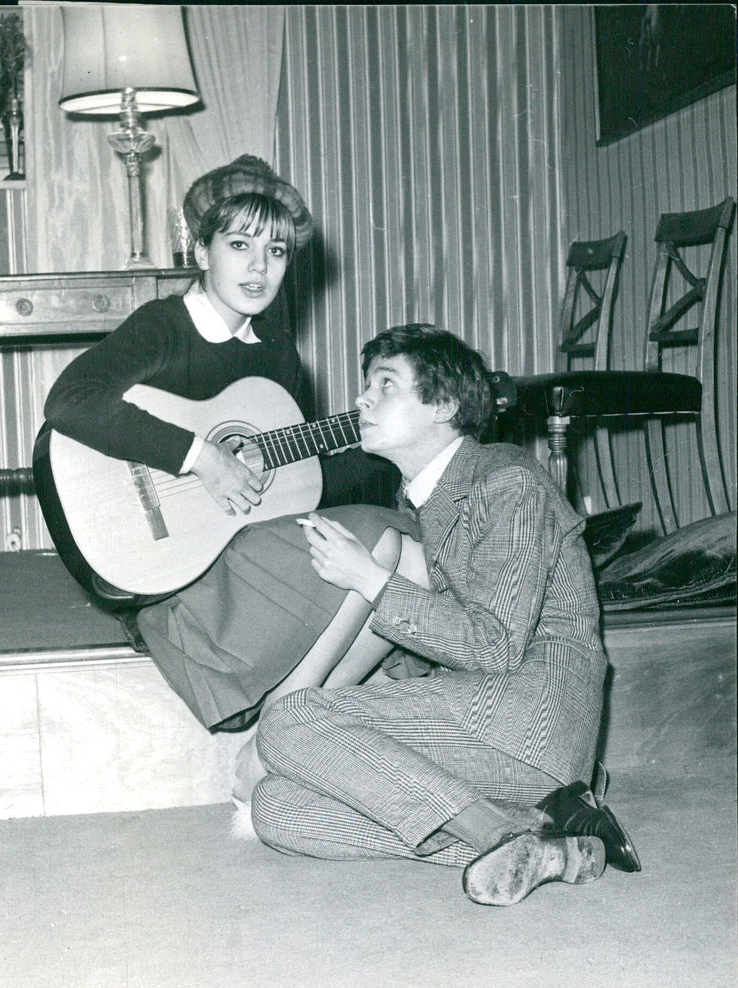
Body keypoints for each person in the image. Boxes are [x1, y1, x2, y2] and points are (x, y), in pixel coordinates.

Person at [249, 324, 641, 907]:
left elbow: (494, 648)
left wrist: (369, 579)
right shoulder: (421, 499)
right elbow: (439, 645)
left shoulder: (507, 481)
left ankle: (499, 831)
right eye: (366, 385)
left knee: (289, 719)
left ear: (445, 405)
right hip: (486, 735)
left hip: (532, 717)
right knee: (278, 810)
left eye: (385, 386)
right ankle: (550, 839)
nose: (362, 400)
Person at [43, 155, 408, 732]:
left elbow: (297, 479)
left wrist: (395, 443)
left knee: (398, 544)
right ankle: (292, 719)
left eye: (277, 251)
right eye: (240, 245)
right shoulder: (165, 325)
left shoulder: (276, 351)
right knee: (382, 542)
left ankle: (297, 719)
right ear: (201, 251)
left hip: (227, 546)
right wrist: (201, 456)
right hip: (165, 565)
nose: (260, 268)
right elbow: (71, 400)